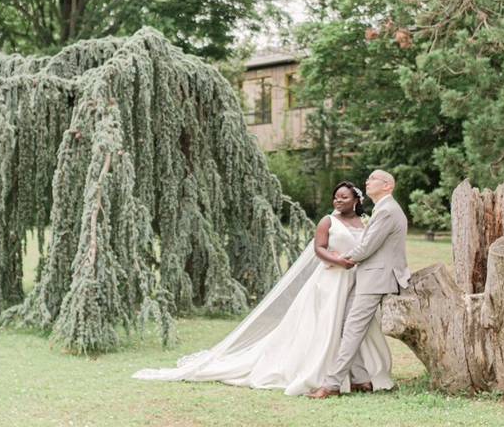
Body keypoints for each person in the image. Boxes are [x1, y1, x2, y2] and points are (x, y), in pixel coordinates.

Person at [132, 181, 394, 395]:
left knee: (355, 327)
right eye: (336, 197)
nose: (338, 201)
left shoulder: (365, 223)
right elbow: (319, 250)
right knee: (329, 326)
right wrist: (339, 260)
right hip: (331, 280)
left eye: (344, 197)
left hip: (357, 281)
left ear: (356, 201)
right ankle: (323, 373)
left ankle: (358, 374)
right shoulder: (328, 221)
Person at [308, 169, 410, 399]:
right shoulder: (383, 209)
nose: (367, 181)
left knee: (352, 329)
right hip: (370, 277)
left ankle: (331, 385)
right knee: (347, 325)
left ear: (387, 186)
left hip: (376, 278)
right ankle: (362, 379)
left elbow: (366, 247)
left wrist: (342, 260)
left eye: (373, 179)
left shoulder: (387, 210)